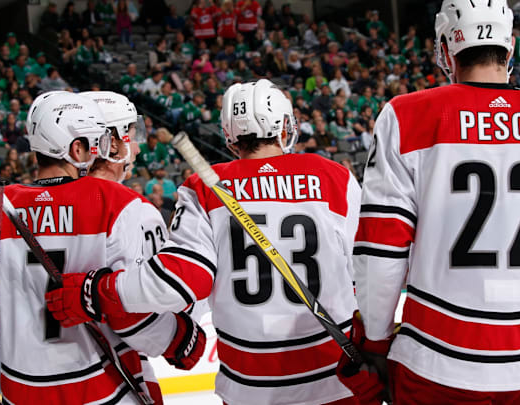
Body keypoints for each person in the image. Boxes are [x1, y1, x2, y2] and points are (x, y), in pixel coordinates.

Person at [338, 1, 520, 404]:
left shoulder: (406, 116)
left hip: (436, 360)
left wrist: (375, 338)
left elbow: (380, 250)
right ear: (510, 48)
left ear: (446, 50)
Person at [46, 79, 362, 405]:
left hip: (249, 386)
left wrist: (98, 291)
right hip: (336, 376)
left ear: (229, 134)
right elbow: (369, 269)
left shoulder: (206, 188)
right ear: (284, 127)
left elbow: (184, 279)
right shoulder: (334, 176)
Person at [0, 91, 206, 404]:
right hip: (102, 384)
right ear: (77, 148)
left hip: (20, 389)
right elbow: (131, 314)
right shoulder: (117, 204)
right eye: (94, 142)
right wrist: (179, 338)